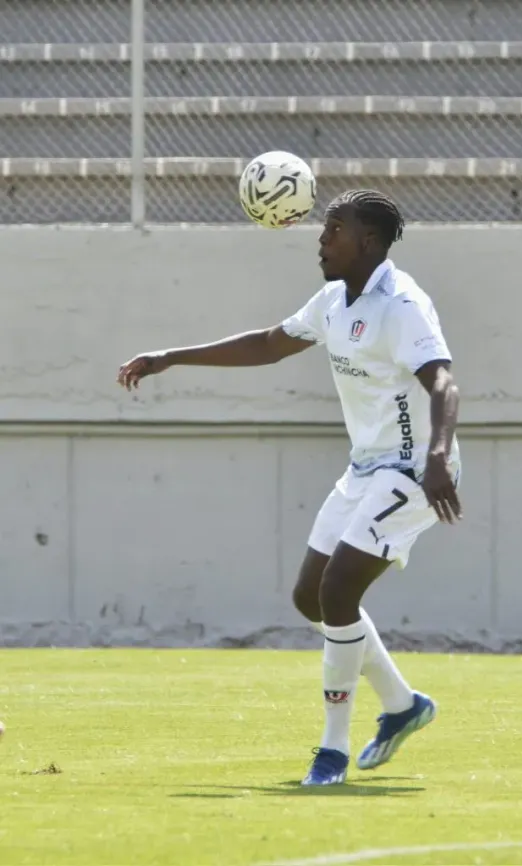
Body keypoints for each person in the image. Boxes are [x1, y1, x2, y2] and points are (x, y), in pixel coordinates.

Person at [117, 189, 462, 787]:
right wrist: (170, 356)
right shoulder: (333, 300)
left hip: (411, 472)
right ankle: (403, 705)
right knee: (311, 598)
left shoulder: (402, 305)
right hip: (365, 469)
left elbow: (443, 384)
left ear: (369, 242)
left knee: (338, 590)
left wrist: (436, 457)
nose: (321, 240)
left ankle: (332, 750)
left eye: (334, 230)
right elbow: (269, 344)